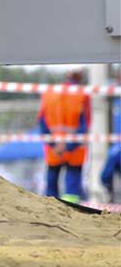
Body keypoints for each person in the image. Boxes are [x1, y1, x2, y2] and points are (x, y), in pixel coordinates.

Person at [38, 71, 90, 203]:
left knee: (51, 182)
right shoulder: (82, 94)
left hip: (54, 148)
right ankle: (71, 212)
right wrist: (69, 146)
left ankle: (50, 211)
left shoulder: (49, 93)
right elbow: (85, 124)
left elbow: (42, 122)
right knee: (72, 188)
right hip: (75, 148)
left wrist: (55, 145)